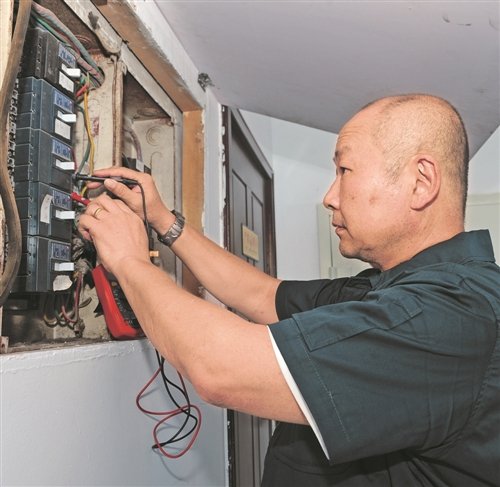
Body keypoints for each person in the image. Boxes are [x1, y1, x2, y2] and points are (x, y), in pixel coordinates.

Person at [79, 94, 500, 486]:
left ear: (421, 182)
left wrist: (130, 261)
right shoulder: (392, 286)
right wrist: (162, 221)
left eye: (345, 171)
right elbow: (262, 295)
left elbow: (219, 370)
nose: (330, 197)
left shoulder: (449, 313)